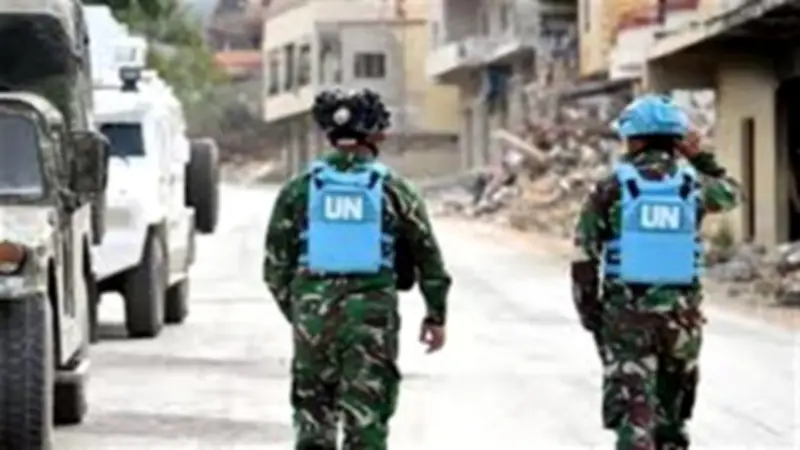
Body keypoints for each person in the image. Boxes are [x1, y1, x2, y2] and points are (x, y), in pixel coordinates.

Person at [263, 88, 452, 450]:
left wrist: (302, 311)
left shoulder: (299, 189)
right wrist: (435, 316)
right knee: (367, 423)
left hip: (313, 322)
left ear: (328, 135)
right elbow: (429, 259)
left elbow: (275, 266)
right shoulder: (395, 189)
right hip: (371, 322)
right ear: (377, 134)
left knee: (313, 421)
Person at [570, 94, 741, 450]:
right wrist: (700, 157)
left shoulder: (611, 187)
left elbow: (585, 257)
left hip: (627, 319)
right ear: (676, 139)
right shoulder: (694, 184)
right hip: (682, 320)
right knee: (671, 421)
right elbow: (732, 194)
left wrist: (591, 313)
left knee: (634, 418)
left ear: (634, 139)